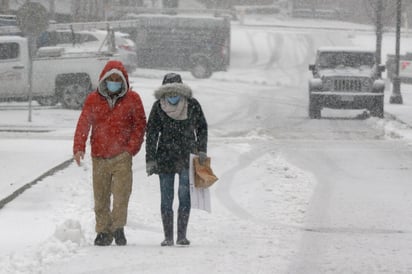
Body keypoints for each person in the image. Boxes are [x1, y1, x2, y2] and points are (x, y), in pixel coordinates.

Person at [73, 60, 146, 246]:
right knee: (101, 197)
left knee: (121, 195)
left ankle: (118, 228)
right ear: (104, 79)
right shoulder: (93, 99)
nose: (114, 82)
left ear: (123, 81)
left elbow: (140, 125)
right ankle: (103, 231)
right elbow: (84, 123)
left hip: (122, 156)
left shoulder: (133, 99)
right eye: (111, 79)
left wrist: (131, 149)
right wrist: (79, 146)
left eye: (117, 79)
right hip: (99, 155)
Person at [145, 72, 208, 246]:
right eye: (169, 92)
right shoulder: (158, 107)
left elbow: (202, 127)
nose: (172, 95)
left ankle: (180, 236)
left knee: (184, 196)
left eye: (175, 92)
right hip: (166, 158)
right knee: (167, 198)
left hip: (187, 158)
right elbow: (151, 133)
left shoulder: (193, 105)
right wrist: (150, 159)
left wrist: (202, 150)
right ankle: (169, 237)